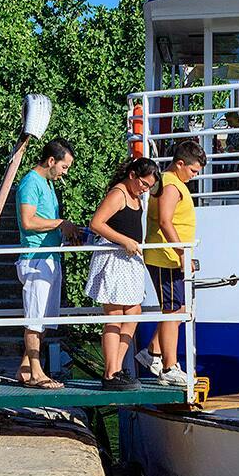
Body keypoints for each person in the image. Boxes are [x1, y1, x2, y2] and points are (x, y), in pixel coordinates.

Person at [84, 158, 158, 390]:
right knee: (115, 313)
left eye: (149, 186)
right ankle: (110, 372)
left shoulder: (136, 197)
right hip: (115, 259)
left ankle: (115, 367)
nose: (145, 190)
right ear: (133, 175)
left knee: (134, 311)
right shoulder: (118, 194)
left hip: (129, 260)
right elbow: (96, 223)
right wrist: (124, 240)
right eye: (144, 184)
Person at [14, 139, 79, 390]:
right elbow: (28, 222)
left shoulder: (48, 184)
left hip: (50, 257)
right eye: (64, 166)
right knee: (35, 318)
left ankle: (26, 368)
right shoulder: (31, 182)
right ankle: (36, 374)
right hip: (36, 259)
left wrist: (68, 231)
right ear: (51, 161)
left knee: (45, 320)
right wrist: (60, 224)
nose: (66, 172)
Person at [142, 138, 204, 379]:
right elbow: (165, 220)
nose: (194, 175)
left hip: (170, 257)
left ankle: (152, 352)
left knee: (178, 308)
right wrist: (180, 253)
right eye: (193, 170)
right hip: (166, 258)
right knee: (172, 311)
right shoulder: (170, 184)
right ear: (180, 164)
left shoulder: (172, 182)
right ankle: (169, 366)